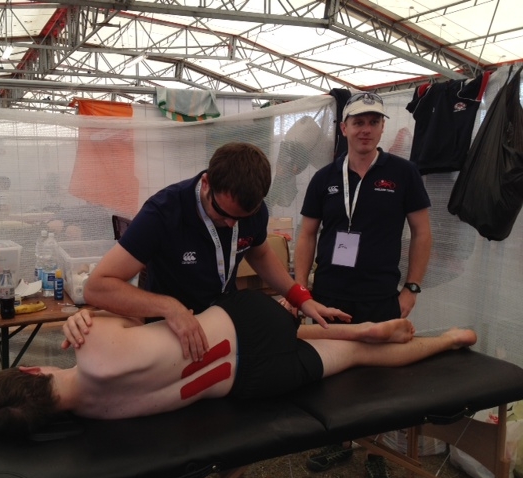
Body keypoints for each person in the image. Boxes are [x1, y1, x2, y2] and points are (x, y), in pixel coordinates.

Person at [0, 290, 476, 435]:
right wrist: (85, 314)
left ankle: (449, 339)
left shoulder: (97, 417)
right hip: (246, 325)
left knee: (365, 359)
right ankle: (357, 325)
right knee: (285, 329)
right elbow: (134, 304)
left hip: (253, 381)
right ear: (31, 371)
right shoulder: (94, 348)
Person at [62, 142, 351, 361]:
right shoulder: (162, 213)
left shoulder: (252, 210)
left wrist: (300, 297)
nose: (230, 224)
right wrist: (169, 308)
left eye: (241, 217)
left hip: (223, 323)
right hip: (170, 331)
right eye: (223, 214)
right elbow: (97, 288)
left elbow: (259, 252)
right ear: (206, 183)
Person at [294, 92, 432, 478]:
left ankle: (375, 450)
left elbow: (422, 234)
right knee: (332, 372)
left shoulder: (404, 174)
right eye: (358, 122)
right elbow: (307, 235)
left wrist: (413, 288)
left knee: (378, 378)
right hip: (329, 296)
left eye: (373, 121)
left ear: (382, 127)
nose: (365, 129)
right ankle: (338, 441)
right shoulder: (325, 178)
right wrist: (299, 289)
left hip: (380, 294)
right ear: (344, 129)